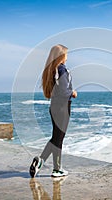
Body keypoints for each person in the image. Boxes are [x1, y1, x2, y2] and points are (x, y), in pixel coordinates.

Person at [29, 44, 77, 178]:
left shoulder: (52, 70)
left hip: (54, 107)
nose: (67, 57)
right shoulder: (61, 69)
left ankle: (56, 168)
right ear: (61, 56)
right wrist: (72, 93)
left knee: (57, 137)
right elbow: (63, 90)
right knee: (58, 138)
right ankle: (45, 163)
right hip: (62, 107)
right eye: (66, 54)